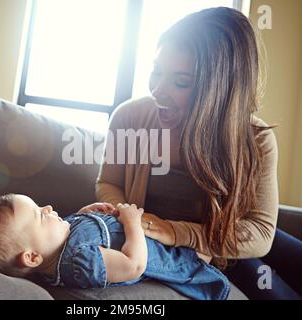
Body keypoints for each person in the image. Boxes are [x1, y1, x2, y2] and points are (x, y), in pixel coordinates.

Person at [96, 7, 302, 299]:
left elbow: (260, 231)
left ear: (221, 90)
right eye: (156, 72)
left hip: (228, 238)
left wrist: (174, 231)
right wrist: (129, 218)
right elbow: (108, 183)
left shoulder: (256, 139)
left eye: (181, 82)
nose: (158, 90)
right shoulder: (129, 118)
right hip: (215, 259)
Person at [0, 193, 230, 300]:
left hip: (162, 231)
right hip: (165, 253)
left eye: (39, 205)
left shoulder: (55, 242)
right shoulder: (78, 263)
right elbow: (133, 265)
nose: (47, 208)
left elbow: (75, 229)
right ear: (32, 257)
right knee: (201, 258)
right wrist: (132, 222)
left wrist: (85, 213)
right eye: (39, 215)